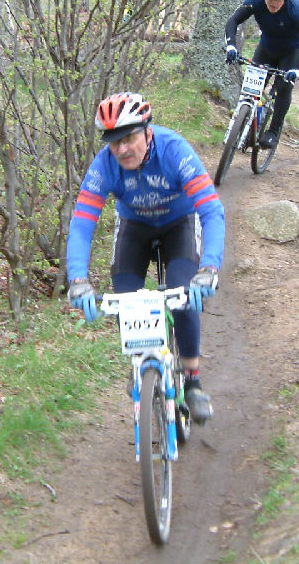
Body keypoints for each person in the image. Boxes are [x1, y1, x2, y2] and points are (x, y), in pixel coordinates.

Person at [66, 92, 225, 422]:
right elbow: (82, 223)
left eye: (128, 139)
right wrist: (78, 280)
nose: (122, 149)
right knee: (126, 296)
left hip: (180, 222)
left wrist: (209, 268)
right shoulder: (105, 165)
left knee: (184, 292)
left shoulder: (174, 150)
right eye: (114, 142)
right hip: (135, 227)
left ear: (147, 133)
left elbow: (211, 211)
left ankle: (193, 381)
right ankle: (141, 359)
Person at [224, 0, 299, 149]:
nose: (272, 3)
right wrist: (231, 45)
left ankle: (273, 131)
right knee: (251, 89)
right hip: (266, 49)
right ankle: (245, 121)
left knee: (284, 88)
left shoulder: (296, 11)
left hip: (291, 52)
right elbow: (233, 20)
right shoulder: (256, 2)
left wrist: (298, 69)